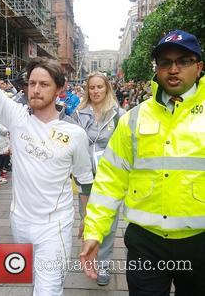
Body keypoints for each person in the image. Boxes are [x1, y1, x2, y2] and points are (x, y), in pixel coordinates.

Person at [0, 3, 93, 295]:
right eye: (31, 83)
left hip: (55, 227)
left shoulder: (75, 135)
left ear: (60, 90)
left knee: (46, 291)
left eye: (44, 84)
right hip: (19, 223)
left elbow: (85, 182)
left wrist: (88, 223)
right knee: (27, 282)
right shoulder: (17, 118)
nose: (35, 89)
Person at [80, 30, 205, 296]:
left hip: (200, 243)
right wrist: (94, 231)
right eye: (165, 62)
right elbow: (109, 181)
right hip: (146, 245)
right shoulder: (133, 119)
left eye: (183, 61)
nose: (173, 69)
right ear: (156, 69)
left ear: (199, 66)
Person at [72, 72, 125, 286]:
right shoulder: (78, 114)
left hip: (109, 178)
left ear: (107, 89)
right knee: (86, 220)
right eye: (91, 87)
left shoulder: (118, 114)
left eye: (99, 87)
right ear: (87, 90)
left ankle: (103, 264)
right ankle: (90, 258)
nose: (95, 91)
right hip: (85, 177)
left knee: (108, 223)